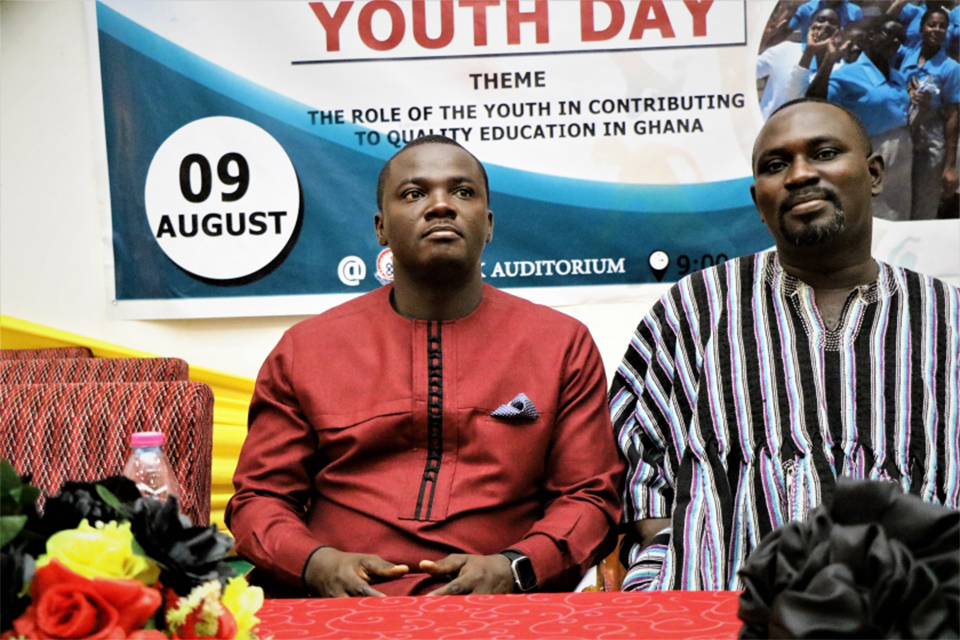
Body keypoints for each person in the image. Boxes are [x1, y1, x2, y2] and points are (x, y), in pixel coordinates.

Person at [226, 135, 623, 597]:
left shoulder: (560, 344)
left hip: (508, 613)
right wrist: (316, 564)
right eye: (414, 194)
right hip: (332, 611)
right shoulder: (306, 349)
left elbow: (589, 498)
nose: (441, 206)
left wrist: (513, 568)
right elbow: (260, 500)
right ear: (380, 228)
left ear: (488, 224)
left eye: (463, 192)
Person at [609, 98, 960, 591]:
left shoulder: (948, 318)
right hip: (728, 617)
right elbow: (640, 475)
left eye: (823, 153)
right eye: (776, 165)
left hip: (915, 616)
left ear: (874, 174)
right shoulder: (695, 311)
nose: (799, 175)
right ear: (758, 201)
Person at [807, 15, 912, 220]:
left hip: (901, 155)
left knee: (898, 214)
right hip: (873, 151)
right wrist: (829, 61)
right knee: (874, 213)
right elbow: (814, 101)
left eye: (900, 38)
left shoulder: (897, 76)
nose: (895, 42)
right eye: (888, 34)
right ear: (871, 37)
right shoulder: (848, 74)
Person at [899, 7, 960, 219]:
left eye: (943, 26)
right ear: (921, 27)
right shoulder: (905, 56)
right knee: (898, 198)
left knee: (924, 203)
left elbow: (953, 115)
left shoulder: (951, 68)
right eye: (932, 24)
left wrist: (950, 165)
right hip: (903, 133)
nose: (937, 29)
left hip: (930, 138)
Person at [757, 8, 842, 119]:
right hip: (770, 130)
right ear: (810, 24)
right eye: (820, 20)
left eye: (833, 22)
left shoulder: (840, 67)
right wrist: (763, 39)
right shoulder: (784, 50)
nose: (826, 25)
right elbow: (746, 72)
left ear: (839, 30)